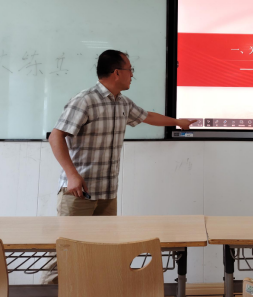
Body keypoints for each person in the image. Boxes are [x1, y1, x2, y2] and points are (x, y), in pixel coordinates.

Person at [41, 50, 195, 284]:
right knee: (65, 253)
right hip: (78, 193)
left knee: (101, 252)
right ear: (116, 73)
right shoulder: (85, 100)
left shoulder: (122, 102)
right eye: (130, 70)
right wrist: (72, 175)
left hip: (107, 193)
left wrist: (178, 122)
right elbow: (56, 137)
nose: (132, 75)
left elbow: (147, 116)